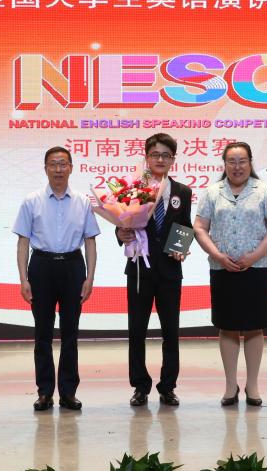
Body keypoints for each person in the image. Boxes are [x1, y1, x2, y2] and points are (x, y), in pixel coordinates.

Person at [193, 142, 267, 407]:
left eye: (242, 161)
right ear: (224, 164)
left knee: (255, 325)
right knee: (228, 326)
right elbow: (199, 228)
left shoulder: (265, 190)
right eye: (231, 161)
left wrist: (254, 256)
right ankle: (230, 385)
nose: (237, 167)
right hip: (223, 268)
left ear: (250, 162)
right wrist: (218, 255)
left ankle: (252, 385)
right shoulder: (212, 192)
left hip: (257, 267)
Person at [13, 146, 99, 411]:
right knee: (43, 333)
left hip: (73, 266)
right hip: (41, 267)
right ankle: (44, 392)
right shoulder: (32, 201)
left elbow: (90, 242)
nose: (58, 169)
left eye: (63, 164)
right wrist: (23, 279)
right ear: (45, 168)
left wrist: (90, 278)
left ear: (71, 168)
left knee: (70, 333)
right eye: (53, 164)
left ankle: (68, 392)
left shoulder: (82, 201)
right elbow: (23, 242)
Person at [118, 133, 192, 407]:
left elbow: (184, 225)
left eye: (165, 155)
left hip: (170, 270)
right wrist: (121, 234)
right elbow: (123, 222)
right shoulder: (134, 189)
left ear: (173, 159)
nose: (160, 159)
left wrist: (181, 247)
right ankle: (140, 386)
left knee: (170, 331)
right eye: (155, 154)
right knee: (136, 331)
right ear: (146, 157)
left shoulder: (182, 192)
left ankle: (168, 386)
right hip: (140, 268)